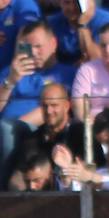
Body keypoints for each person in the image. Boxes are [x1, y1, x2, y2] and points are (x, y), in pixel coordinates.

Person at [1, 21, 77, 180]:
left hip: (36, 130)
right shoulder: (12, 71)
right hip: (4, 129)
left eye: (38, 47)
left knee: (7, 130)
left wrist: (16, 126)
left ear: (53, 44)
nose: (34, 53)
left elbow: (57, 109)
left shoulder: (67, 74)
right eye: (28, 48)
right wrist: (11, 81)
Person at [47, 0, 109, 67]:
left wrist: (82, 24)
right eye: (67, 2)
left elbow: (96, 60)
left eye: (77, 3)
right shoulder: (53, 22)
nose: (72, 7)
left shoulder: (105, 20)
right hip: (64, 71)